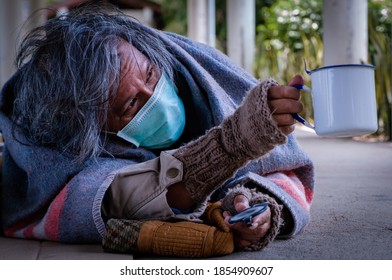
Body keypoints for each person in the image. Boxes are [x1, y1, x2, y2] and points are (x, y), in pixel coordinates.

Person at [0, 4, 314, 256]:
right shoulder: (63, 138)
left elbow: (280, 171)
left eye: (151, 75)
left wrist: (259, 208)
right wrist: (235, 142)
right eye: (130, 106)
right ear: (96, 132)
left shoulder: (188, 64)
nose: (155, 98)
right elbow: (122, 196)